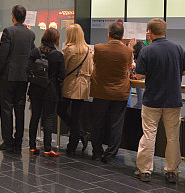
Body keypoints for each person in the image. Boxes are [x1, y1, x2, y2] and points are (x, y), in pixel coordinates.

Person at [134, 18, 185, 183]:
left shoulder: (147, 50)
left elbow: (139, 76)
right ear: (165, 31)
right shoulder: (177, 48)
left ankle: (145, 170)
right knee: (173, 137)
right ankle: (172, 171)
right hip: (173, 99)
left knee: (149, 134)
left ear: (150, 32)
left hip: (152, 99)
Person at [0, 5, 36, 153]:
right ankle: (18, 140)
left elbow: (2, 55)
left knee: (6, 108)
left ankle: (8, 141)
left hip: (8, 76)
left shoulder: (8, 31)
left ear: (13, 16)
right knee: (20, 107)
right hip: (23, 76)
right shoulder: (30, 34)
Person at [90, 22, 133, 164]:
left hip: (101, 91)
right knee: (116, 124)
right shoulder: (128, 51)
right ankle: (110, 155)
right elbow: (129, 66)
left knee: (97, 122)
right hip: (120, 92)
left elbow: (95, 62)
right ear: (122, 36)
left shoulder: (99, 48)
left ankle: (96, 152)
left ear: (109, 34)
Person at [27, 28, 65, 156]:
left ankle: (32, 146)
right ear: (56, 40)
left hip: (35, 89)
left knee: (35, 116)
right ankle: (47, 148)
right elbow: (62, 75)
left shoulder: (34, 52)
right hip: (51, 90)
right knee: (48, 118)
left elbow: (28, 70)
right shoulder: (58, 55)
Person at [57, 23, 93, 155]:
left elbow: (63, 68)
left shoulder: (68, 49)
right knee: (76, 115)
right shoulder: (88, 49)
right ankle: (75, 140)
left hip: (70, 83)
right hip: (83, 85)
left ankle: (79, 135)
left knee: (61, 109)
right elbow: (90, 70)